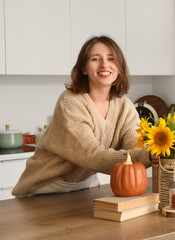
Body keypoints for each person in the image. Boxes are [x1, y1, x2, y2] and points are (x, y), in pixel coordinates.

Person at [12, 35, 152, 197]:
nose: (105, 64)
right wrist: (150, 155)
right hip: (46, 187)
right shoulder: (70, 102)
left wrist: (162, 150)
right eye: (95, 59)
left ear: (119, 67)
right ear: (84, 68)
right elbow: (92, 156)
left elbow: (137, 147)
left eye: (111, 59)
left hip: (85, 185)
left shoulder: (125, 107)